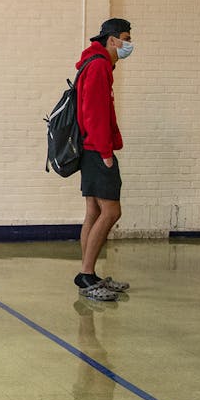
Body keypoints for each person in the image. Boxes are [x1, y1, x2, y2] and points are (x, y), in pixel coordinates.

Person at [74, 18, 134, 303]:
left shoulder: (95, 63)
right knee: (111, 212)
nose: (128, 44)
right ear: (111, 40)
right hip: (98, 149)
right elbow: (93, 113)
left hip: (90, 149)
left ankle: (90, 274)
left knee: (94, 212)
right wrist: (106, 153)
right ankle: (86, 274)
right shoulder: (98, 65)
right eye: (125, 38)